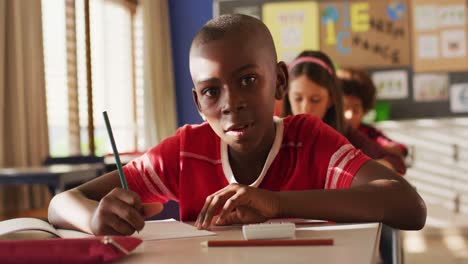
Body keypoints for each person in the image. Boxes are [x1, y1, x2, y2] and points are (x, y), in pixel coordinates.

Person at [48, 14, 425, 235]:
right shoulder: (184, 152)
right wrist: (94, 218)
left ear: (279, 81)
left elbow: (408, 205)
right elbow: (62, 203)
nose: (231, 104)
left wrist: (275, 203)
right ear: (197, 102)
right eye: (212, 91)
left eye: (247, 80)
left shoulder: (308, 141)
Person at [283, 50, 406, 175]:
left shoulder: (344, 130)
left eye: (315, 100)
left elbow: (396, 162)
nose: (305, 109)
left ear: (330, 100)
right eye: (297, 98)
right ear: (287, 96)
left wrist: (354, 171)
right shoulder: (277, 134)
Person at [338, 68, 408, 158]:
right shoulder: (328, 130)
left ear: (365, 111)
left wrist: (380, 149)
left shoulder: (369, 133)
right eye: (344, 108)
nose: (349, 115)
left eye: (356, 110)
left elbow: (398, 148)